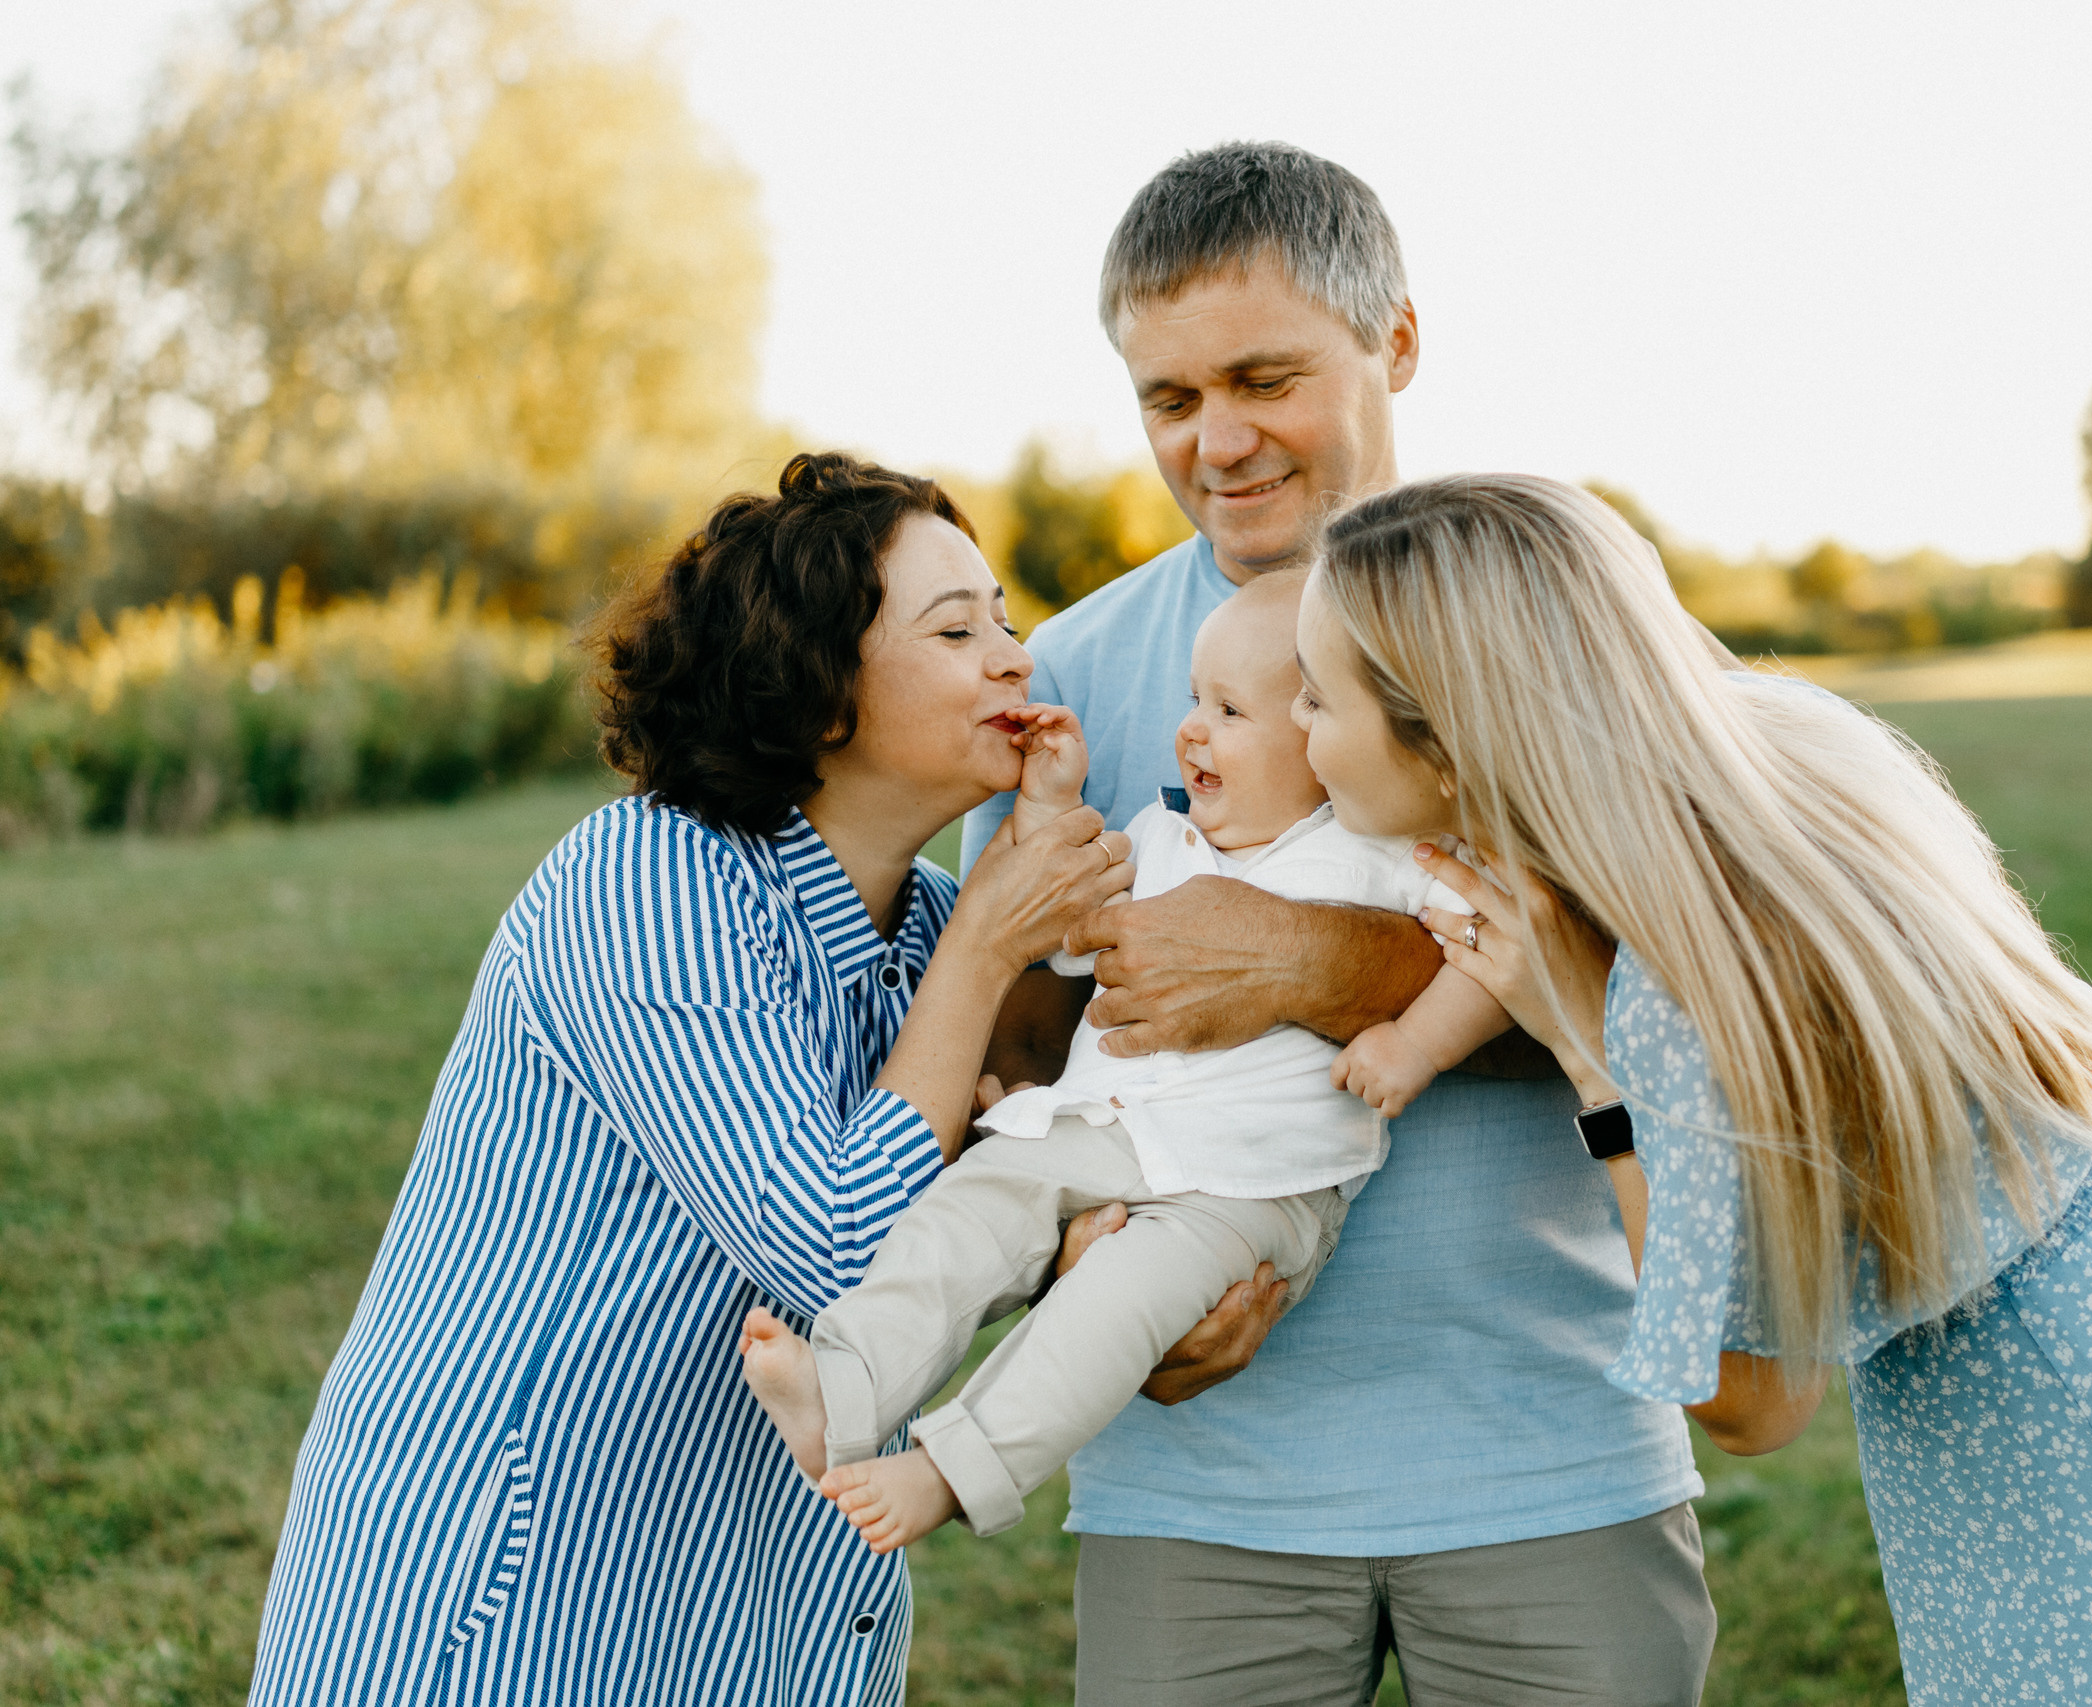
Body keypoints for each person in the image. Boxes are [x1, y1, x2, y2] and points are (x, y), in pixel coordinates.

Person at [1297, 472, 2092, 1707]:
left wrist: (1587, 1056)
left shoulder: (1674, 968)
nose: (1295, 729)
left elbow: (1754, 1400)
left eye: (1313, 695)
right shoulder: (1762, 764)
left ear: (1444, 739)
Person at [959, 143, 1715, 1704]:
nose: (1217, 441)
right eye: (1169, 399)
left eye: (1264, 376)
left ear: (1401, 345)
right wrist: (1081, 1264)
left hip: (1552, 1458)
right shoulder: (1083, 680)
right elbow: (1006, 1056)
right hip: (1200, 1491)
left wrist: (1313, 964)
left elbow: (1699, 1003)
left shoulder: (1563, 620)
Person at [249, 454, 1133, 1705]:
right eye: (955, 628)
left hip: (757, 1597)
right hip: (511, 1587)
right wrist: (994, 940)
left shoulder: (935, 926)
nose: (1012, 657)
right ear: (818, 685)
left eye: (1001, 616)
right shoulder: (649, 879)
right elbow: (840, 1258)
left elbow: (1018, 1181)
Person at [735, 569, 1503, 1553]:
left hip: (1250, 1185)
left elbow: (1495, 953)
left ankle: (949, 1473)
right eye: (1193, 699)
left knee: (1110, 1304)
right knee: (964, 1214)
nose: (1189, 730)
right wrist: (1052, 802)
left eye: (1228, 710)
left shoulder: (1382, 855)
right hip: (1100, 1130)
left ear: (1327, 733)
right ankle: (843, 1386)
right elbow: (1066, 922)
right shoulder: (1163, 836)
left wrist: (1413, 1038)